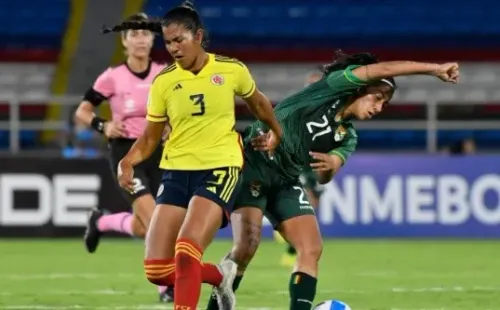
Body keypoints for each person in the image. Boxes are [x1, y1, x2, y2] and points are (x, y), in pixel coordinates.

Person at [206, 51, 460, 310]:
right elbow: (381, 70)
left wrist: (330, 166)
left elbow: (325, 175)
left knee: (312, 248)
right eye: (378, 98)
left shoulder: (347, 136)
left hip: (286, 179)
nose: (379, 107)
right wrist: (433, 69)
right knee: (246, 247)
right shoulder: (331, 87)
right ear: (360, 87)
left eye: (385, 104)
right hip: (255, 163)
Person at [108, 2, 282, 310]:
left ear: (198, 36)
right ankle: (220, 275)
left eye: (179, 40)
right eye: (168, 42)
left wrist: (276, 132)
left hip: (220, 167)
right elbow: (150, 137)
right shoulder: (164, 82)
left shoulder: (231, 69)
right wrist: (127, 161)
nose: (173, 47)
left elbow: (258, 103)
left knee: (186, 253)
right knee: (157, 270)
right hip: (176, 171)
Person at [74, 13, 173, 302]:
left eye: (145, 34)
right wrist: (102, 125)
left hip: (159, 153)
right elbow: (82, 111)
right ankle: (165, 286)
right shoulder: (112, 77)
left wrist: (171, 124)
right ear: (124, 41)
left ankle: (101, 223)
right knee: (157, 220)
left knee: (146, 225)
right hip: (126, 155)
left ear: (153, 39)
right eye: (134, 34)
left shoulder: (165, 73)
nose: (140, 39)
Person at [274, 71, 324, 268]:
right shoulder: (299, 105)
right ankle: (284, 227)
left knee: (314, 200)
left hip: (315, 160)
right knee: (302, 197)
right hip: (297, 159)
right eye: (309, 83)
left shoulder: (329, 107)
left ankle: (292, 246)